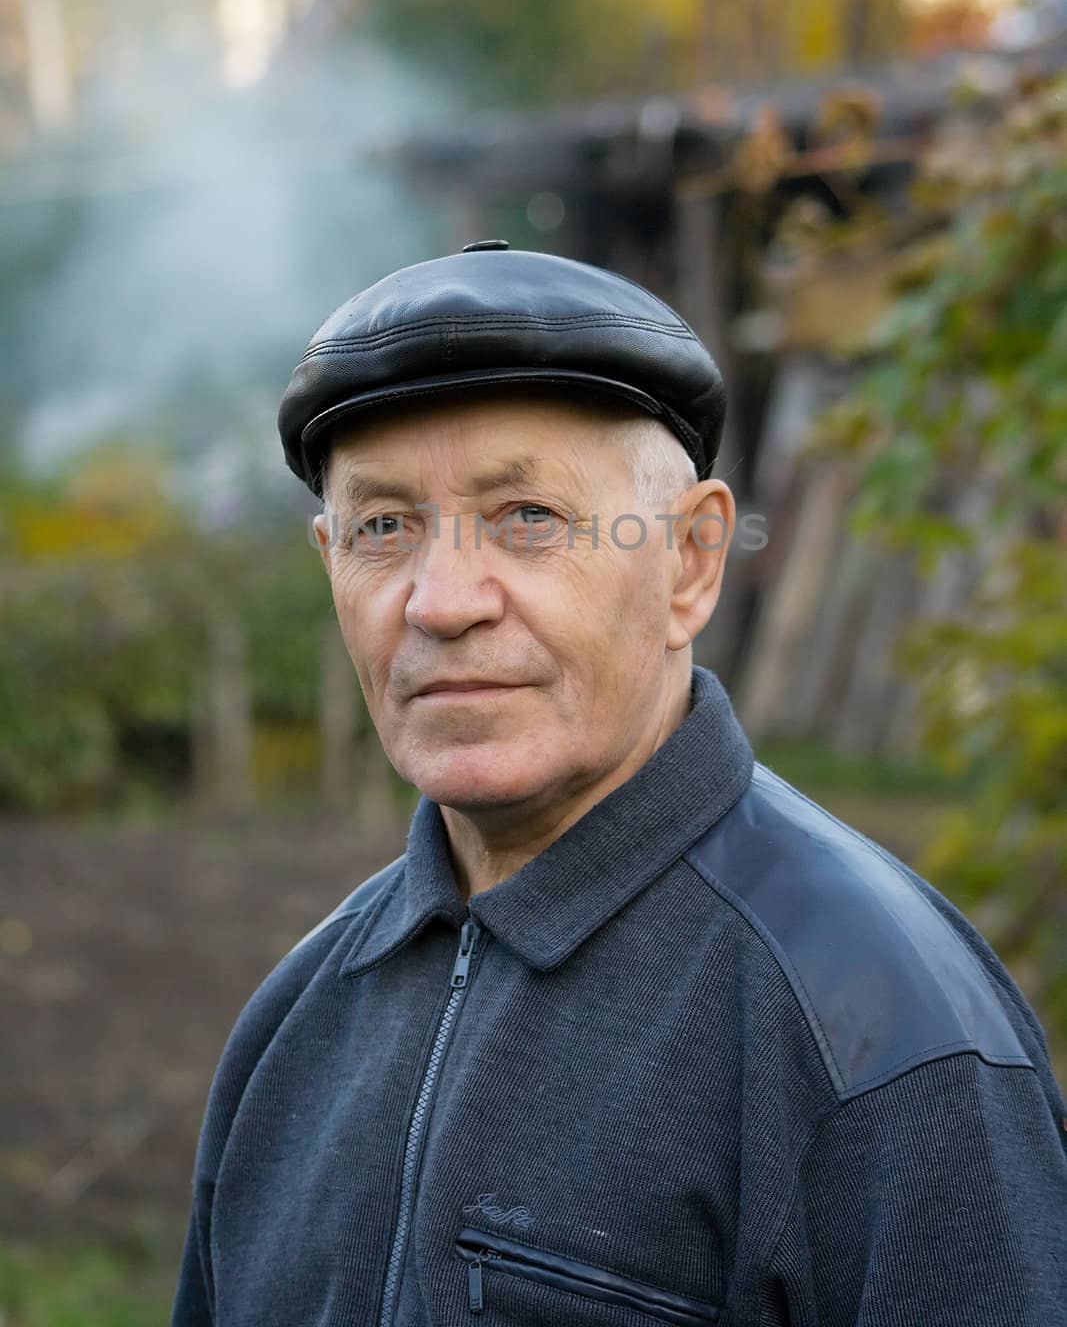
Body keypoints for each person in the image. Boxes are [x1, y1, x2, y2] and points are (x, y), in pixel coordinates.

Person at [171, 240, 1067, 1327]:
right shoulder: (296, 1023)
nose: (441, 599)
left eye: (528, 518)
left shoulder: (884, 1029)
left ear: (689, 561)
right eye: (384, 528)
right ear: (329, 561)